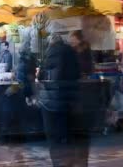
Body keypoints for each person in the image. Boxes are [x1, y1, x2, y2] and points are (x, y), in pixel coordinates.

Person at [38, 33, 89, 167]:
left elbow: (40, 76)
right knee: (70, 138)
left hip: (51, 104)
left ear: (51, 42)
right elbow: (79, 74)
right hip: (70, 102)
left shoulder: (48, 54)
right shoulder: (72, 53)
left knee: (55, 140)